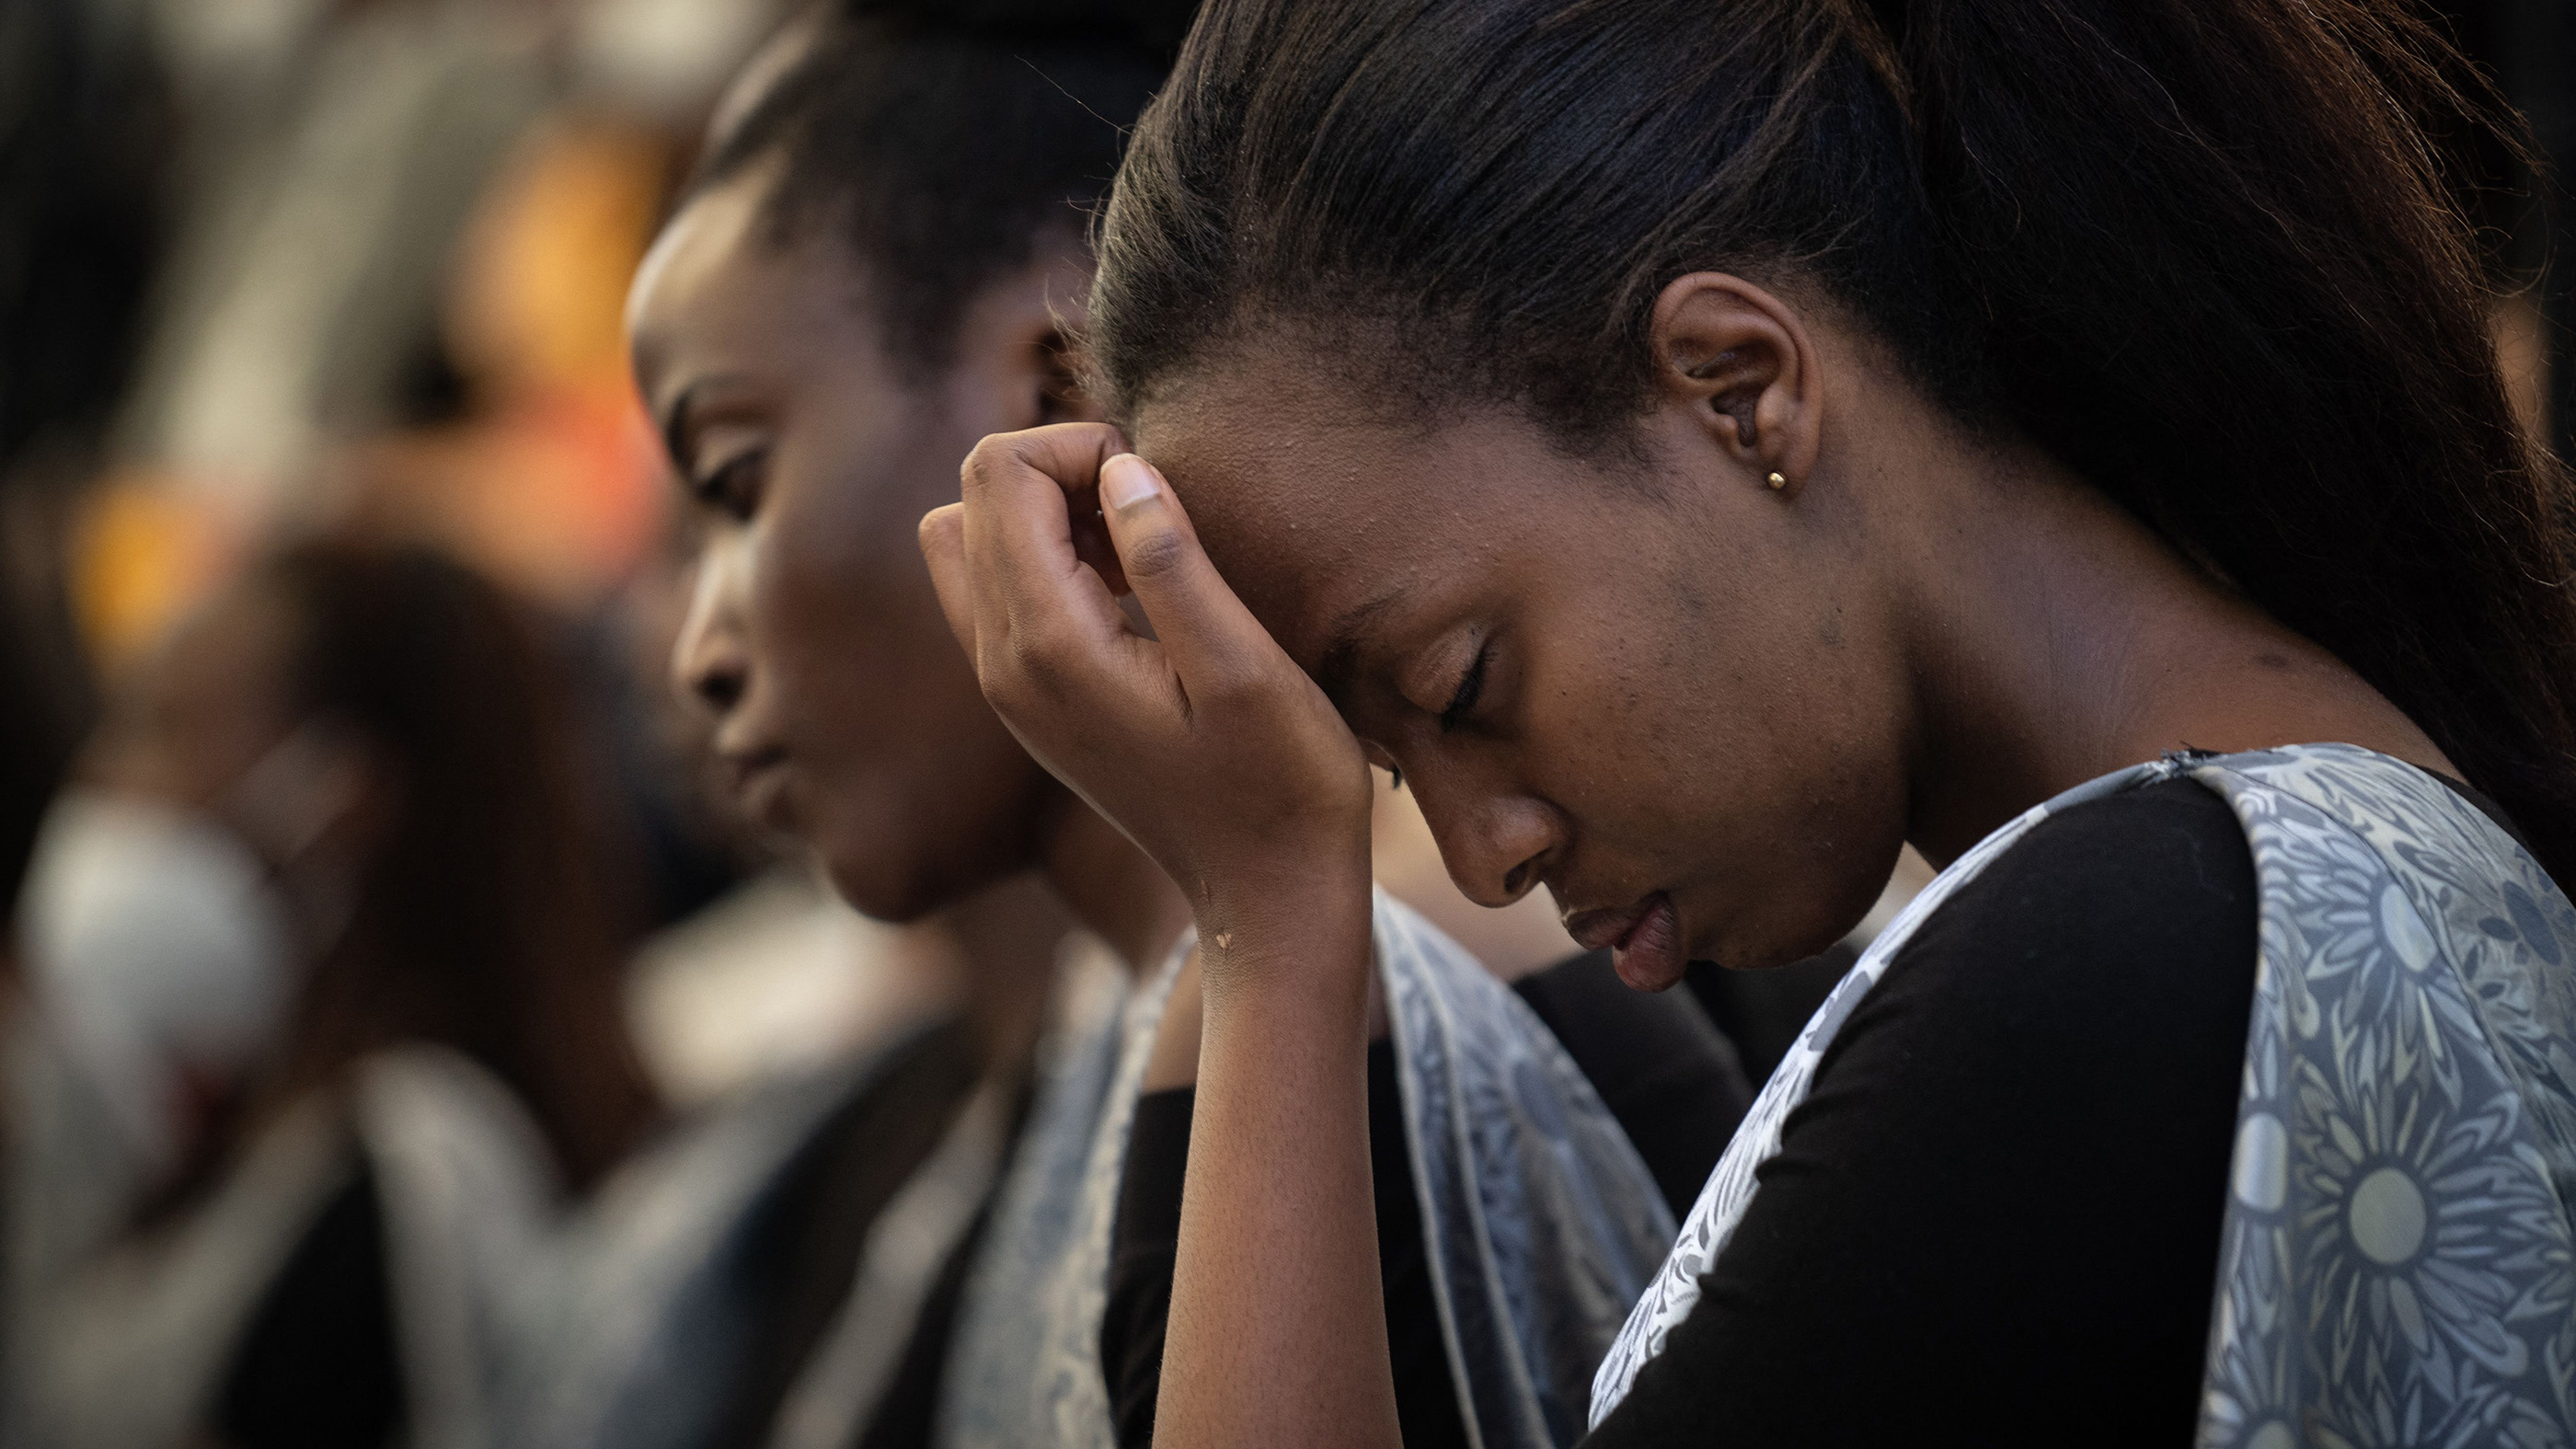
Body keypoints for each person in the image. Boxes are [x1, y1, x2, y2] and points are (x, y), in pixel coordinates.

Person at [920, 0, 2576, 1444]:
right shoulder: (2294, 842)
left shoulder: (2114, 962)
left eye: (1454, 687)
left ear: (1738, 388)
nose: (1485, 854)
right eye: (1383, 766)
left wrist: (1269, 919)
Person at [569, 4, 1740, 1446]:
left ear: (1056, 390)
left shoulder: (1427, 987)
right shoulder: (1062, 1057)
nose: (696, 652)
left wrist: (1273, 925)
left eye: (739, 487)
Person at [6, 540, 652, 1449]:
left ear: (335, 799)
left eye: (162, 727)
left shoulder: (406, 1174)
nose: (105, 786)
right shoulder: (248, 1128)